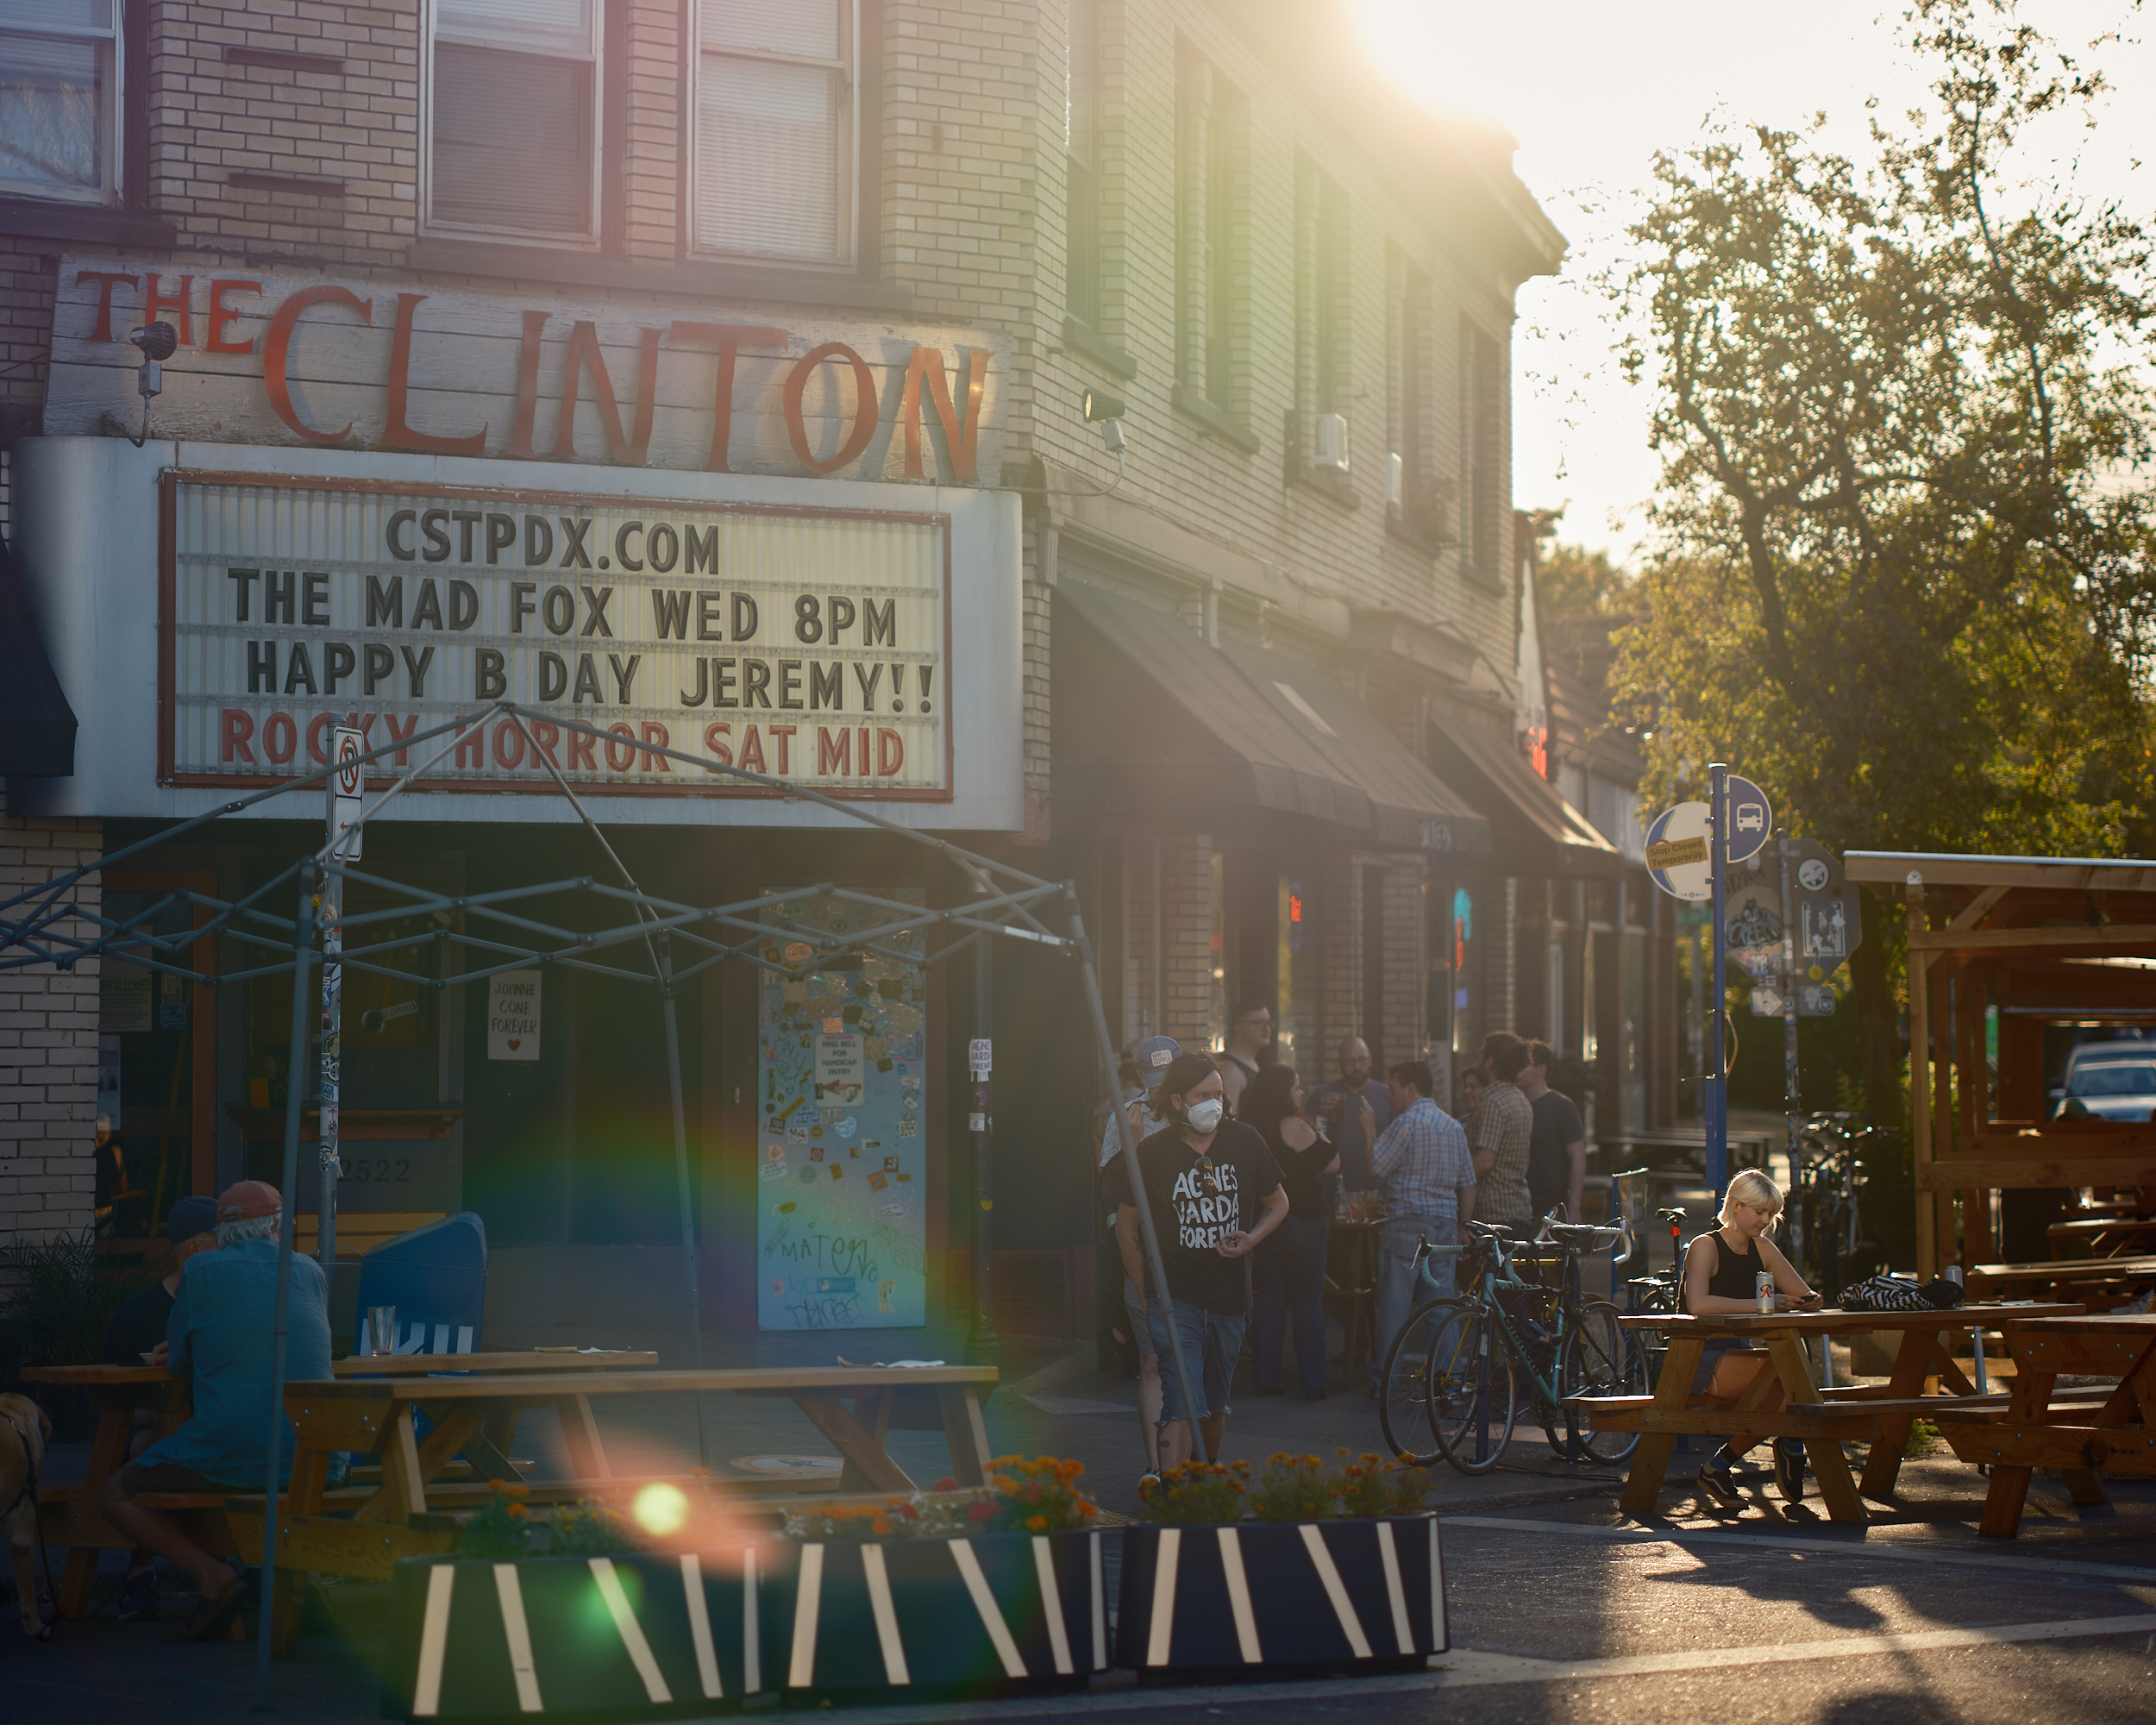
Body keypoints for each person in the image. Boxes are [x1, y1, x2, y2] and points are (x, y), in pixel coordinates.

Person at [99, 1181, 333, 1641]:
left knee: (115, 1494)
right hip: (316, 1456)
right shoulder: (309, 1270)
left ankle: (213, 1575)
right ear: (275, 1225)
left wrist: (188, 1347)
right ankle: (286, 1579)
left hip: (230, 1455)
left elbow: (182, 1366)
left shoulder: (201, 1271)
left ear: (223, 1229)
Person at [1110, 1052, 1289, 1469]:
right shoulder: (1154, 1152)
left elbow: (1278, 1202)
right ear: (1177, 1102)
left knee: (1214, 1402)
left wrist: (1251, 1239)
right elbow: (1126, 1226)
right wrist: (1145, 1291)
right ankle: (1172, 1499)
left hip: (1229, 1296)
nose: (1214, 1102)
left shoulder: (1246, 1140)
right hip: (1176, 1296)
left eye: (1218, 1094)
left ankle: (1202, 1478)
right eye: (1202, 1094)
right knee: (1180, 1396)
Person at [99, 1195, 220, 1622]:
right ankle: (143, 1566)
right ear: (195, 1248)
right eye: (223, 1240)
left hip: (213, 1433)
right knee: (151, 1442)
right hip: (156, 1428)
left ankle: (230, 1568)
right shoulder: (139, 1311)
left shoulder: (227, 1303)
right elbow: (115, 1403)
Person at [1683, 1169, 1820, 1506]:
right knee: (1791, 1382)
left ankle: (1720, 1466)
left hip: (1738, 1353)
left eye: (1771, 1214)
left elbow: (1804, 1295)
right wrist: (1765, 1304)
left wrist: (1811, 1300)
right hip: (1697, 1356)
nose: (1765, 1220)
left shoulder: (1764, 1249)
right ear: (1736, 1206)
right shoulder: (1705, 1245)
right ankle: (1790, 1445)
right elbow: (1698, 1304)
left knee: (1792, 1378)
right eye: (1759, 1212)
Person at [1367, 1059, 1476, 1391]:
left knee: (1395, 1308)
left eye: (1394, 1087)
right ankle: (1450, 1380)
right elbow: (1468, 1182)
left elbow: (1376, 1166)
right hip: (1444, 1225)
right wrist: (1464, 1225)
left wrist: (1368, 1128)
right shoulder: (1453, 1126)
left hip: (1408, 1225)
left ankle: (1385, 1382)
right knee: (1441, 1307)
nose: (1388, 1094)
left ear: (1411, 1088)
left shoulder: (1406, 1123)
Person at [1099, 1033, 1180, 1477]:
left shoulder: (1202, 1112)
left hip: (1193, 1250)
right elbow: (1111, 1193)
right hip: (1143, 1249)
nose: (1157, 1089)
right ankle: (1156, 1467)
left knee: (1191, 1362)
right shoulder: (1125, 1117)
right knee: (1152, 1361)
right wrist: (1131, 1142)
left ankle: (1186, 1460)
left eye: (1166, 1079)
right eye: (1152, 1080)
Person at [1240, 1064, 1339, 1401]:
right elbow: (1332, 1159)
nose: (1300, 1093)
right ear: (1284, 1092)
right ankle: (1314, 1382)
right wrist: (1311, 1119)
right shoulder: (1294, 1125)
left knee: (1270, 1298)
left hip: (1266, 1224)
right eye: (1296, 1087)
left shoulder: (1251, 1128)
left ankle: (1265, 1379)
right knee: (1307, 1299)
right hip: (1304, 1224)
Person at [1308, 1037, 1394, 1196]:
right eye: (1350, 1061)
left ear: (1370, 1061)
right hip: (1332, 1192)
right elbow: (1305, 1144)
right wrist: (1320, 1114)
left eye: (1362, 1060)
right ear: (1339, 1063)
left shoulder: (1387, 1095)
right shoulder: (1322, 1095)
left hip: (1376, 1193)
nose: (1357, 1067)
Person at [1469, 1038, 1535, 1233]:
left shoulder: (1493, 1104)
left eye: (1481, 1056)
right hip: (1519, 1208)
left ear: (1490, 1062)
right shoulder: (1521, 1099)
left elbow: (1484, 1162)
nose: (1478, 1061)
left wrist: (1451, 1180)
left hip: (1495, 1214)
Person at [1520, 1040, 1587, 1222]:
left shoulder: (1561, 1107)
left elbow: (1578, 1158)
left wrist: (1574, 1208)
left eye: (1525, 1065)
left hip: (1552, 1207)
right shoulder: (1517, 1106)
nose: (1519, 1070)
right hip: (1521, 1206)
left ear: (1541, 1070)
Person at [1217, 998, 1273, 1113]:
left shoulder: (1251, 1063)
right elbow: (1229, 1120)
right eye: (1259, 1023)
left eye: (1268, 1023)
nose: (1266, 1029)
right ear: (1239, 1028)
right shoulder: (1231, 1070)